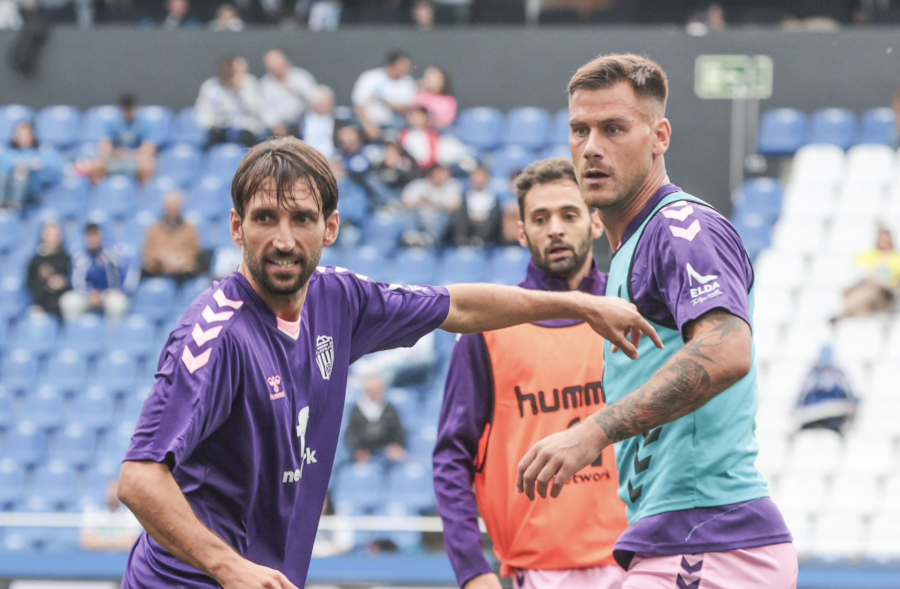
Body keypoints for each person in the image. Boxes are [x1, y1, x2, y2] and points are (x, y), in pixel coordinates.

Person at [116, 136, 660, 589]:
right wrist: (228, 567)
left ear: (329, 228)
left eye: (302, 218)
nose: (283, 240)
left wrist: (579, 305)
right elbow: (139, 480)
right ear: (237, 227)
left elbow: (460, 304)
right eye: (264, 218)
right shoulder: (215, 333)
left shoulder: (338, 300)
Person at [516, 54, 797, 588]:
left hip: (713, 537)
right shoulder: (628, 251)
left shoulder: (681, 227)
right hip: (675, 539)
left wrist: (592, 432)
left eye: (614, 128)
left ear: (659, 135)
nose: (591, 147)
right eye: (580, 130)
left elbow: (727, 349)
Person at [435, 158, 628, 589]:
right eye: (540, 218)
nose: (555, 228)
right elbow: (452, 457)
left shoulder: (631, 310)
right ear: (522, 232)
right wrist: (471, 570)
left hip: (638, 562)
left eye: (569, 214)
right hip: (538, 572)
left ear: (595, 223)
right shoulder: (488, 327)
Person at [60, 222, 130, 324]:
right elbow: (76, 282)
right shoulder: (79, 257)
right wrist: (89, 294)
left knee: (118, 304)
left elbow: (117, 279)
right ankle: (75, 335)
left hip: (107, 294)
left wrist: (104, 294)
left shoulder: (111, 256)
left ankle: (113, 337)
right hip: (86, 295)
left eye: (96, 235)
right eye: (90, 236)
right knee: (69, 302)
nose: (93, 239)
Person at [195, 55, 264, 148]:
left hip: (246, 129)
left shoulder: (250, 83)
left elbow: (257, 109)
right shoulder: (211, 87)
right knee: (212, 138)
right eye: (236, 71)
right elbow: (202, 111)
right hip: (219, 129)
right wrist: (211, 122)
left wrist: (240, 90)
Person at [88, 93, 157, 184]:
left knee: (146, 167)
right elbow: (105, 145)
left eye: (130, 108)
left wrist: (130, 154)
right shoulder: (114, 123)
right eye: (125, 109)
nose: (128, 112)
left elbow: (148, 148)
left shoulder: (143, 124)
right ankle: (99, 195)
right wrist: (113, 154)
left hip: (135, 159)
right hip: (116, 158)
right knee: (97, 167)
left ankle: (144, 197)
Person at [352, 51, 417, 140]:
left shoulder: (408, 82)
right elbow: (359, 104)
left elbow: (407, 108)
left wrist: (384, 101)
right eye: (404, 64)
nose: (408, 68)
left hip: (395, 128)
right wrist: (368, 125)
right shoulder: (370, 78)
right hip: (367, 126)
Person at [836, 227, 900, 319]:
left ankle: (842, 314)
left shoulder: (897, 258)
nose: (884, 242)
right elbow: (855, 273)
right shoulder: (867, 256)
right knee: (862, 308)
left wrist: (885, 284)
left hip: (885, 295)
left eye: (886, 240)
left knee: (867, 294)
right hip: (866, 290)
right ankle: (860, 324)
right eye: (882, 240)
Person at [794, 346, 858, 434]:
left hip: (835, 410)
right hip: (816, 407)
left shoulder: (838, 373)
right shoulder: (814, 373)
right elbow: (804, 392)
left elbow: (849, 391)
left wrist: (853, 403)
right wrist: (797, 406)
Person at [344, 374, 407, 463]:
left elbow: (398, 431)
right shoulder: (357, 411)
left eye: (378, 390)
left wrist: (397, 445)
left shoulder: (390, 410)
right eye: (372, 390)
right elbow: (351, 434)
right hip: (363, 451)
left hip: (385, 450)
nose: (375, 393)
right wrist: (358, 450)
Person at [142, 192, 201, 285]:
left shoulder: (190, 230)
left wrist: (179, 260)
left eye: (176, 206)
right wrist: (161, 259)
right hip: (158, 269)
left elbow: (194, 252)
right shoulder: (154, 229)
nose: (173, 210)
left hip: (181, 272)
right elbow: (148, 252)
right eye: (170, 206)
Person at [0, 122, 63, 210]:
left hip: (33, 192)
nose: (23, 138)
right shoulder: (8, 153)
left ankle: (15, 206)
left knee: (21, 176)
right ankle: (5, 205)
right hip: (9, 190)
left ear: (32, 135)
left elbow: (59, 169)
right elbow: (3, 169)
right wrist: (17, 167)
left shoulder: (41, 152)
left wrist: (37, 166)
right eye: (20, 135)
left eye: (26, 135)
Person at [260, 50, 319, 138]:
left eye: (275, 61)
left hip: (301, 123)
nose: (272, 65)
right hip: (276, 127)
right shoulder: (265, 84)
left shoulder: (301, 78)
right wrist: (275, 125)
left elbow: (315, 100)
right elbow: (265, 110)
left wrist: (295, 89)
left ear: (285, 61)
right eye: (268, 63)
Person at [401, 164, 462, 247]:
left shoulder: (451, 186)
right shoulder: (418, 185)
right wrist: (420, 202)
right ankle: (411, 235)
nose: (442, 177)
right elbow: (405, 202)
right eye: (439, 174)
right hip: (419, 218)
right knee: (410, 211)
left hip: (436, 220)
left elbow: (454, 207)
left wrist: (434, 204)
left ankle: (430, 238)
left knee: (444, 214)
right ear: (431, 174)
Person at [448, 165, 503, 247]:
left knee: (492, 216)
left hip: (485, 225)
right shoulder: (465, 195)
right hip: (468, 223)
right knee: (459, 211)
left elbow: (495, 216)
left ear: (487, 178)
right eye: (476, 175)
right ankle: (461, 239)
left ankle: (479, 240)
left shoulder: (493, 197)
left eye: (481, 176)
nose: (478, 179)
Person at [26, 221, 71, 318]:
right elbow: (31, 286)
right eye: (51, 235)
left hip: (62, 304)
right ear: (43, 236)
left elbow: (73, 281)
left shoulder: (66, 259)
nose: (54, 238)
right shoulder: (36, 260)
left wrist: (63, 283)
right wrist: (48, 285)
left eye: (57, 235)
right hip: (42, 304)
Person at [80, 479, 140, 551]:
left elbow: (132, 542)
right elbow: (87, 541)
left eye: (116, 491)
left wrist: (103, 543)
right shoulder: (94, 512)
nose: (113, 495)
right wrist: (116, 544)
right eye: (111, 491)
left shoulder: (130, 514)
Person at [415, 66, 457, 130]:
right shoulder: (422, 95)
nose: (430, 82)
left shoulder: (449, 100)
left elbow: (447, 121)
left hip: (440, 133)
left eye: (435, 79)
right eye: (428, 79)